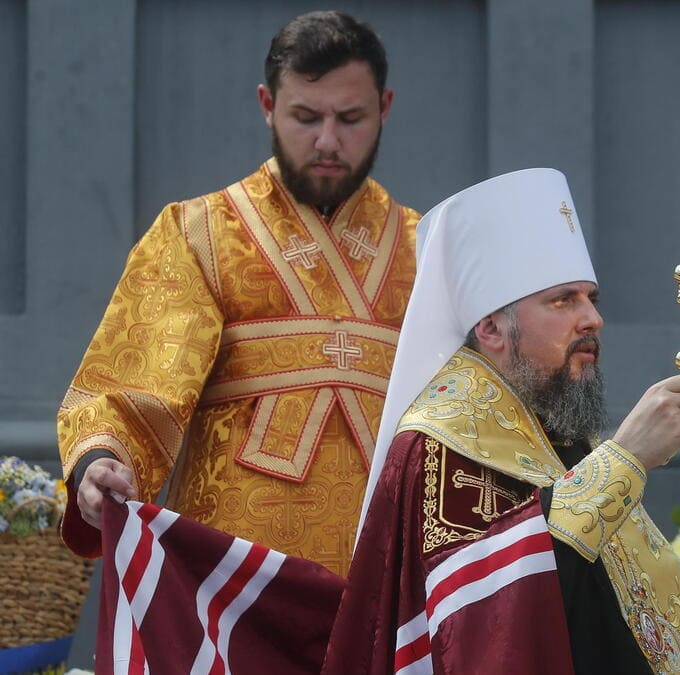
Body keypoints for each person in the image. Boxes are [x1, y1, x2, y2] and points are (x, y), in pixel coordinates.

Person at [56, 10, 420, 577]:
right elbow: (133, 388)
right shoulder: (198, 232)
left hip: (391, 578)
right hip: (231, 585)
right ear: (267, 105)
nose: (328, 141)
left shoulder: (429, 246)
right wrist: (102, 461)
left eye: (351, 118)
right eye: (305, 116)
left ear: (386, 109)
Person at [324, 169, 680, 674]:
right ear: (490, 328)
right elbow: (479, 624)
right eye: (563, 300)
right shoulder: (440, 441)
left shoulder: (554, 419)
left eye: (591, 298)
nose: (592, 318)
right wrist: (625, 461)